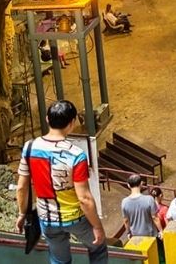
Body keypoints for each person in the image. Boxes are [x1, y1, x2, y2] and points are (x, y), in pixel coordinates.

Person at [16, 100, 107, 264]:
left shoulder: (29, 147)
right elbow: (84, 198)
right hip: (75, 218)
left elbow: (22, 187)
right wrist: (97, 226)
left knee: (59, 261)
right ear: (72, 123)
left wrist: (22, 214)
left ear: (47, 119)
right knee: (98, 247)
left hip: (47, 219)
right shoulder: (76, 155)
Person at [122, 174, 162, 244]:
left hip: (135, 236)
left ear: (128, 185)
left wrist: (128, 232)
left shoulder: (124, 202)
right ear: (141, 184)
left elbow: (126, 220)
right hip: (150, 235)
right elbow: (155, 218)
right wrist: (161, 231)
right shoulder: (149, 199)